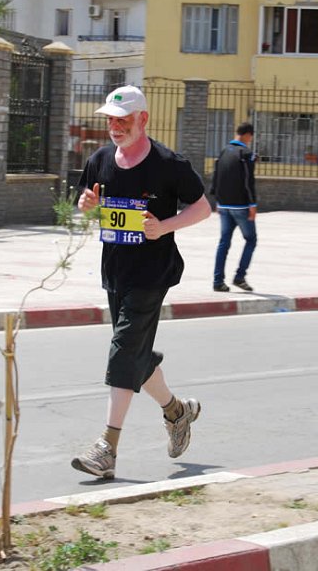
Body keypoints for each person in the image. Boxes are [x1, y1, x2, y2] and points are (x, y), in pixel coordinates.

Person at [72, 85, 211, 479]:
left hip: (152, 272)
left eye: (124, 120)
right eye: (111, 121)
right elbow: (88, 202)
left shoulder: (168, 164)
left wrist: (163, 227)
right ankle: (177, 412)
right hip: (115, 270)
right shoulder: (100, 160)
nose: (115, 127)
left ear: (143, 119)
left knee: (123, 349)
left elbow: (203, 208)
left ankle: (107, 448)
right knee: (134, 353)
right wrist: (87, 205)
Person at [211, 122, 258, 292]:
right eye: (250, 137)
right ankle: (239, 276)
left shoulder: (224, 151)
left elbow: (216, 176)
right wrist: (252, 204)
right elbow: (248, 181)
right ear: (247, 135)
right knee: (251, 239)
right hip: (241, 207)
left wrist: (217, 200)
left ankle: (218, 281)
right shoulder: (246, 154)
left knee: (224, 242)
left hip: (223, 205)